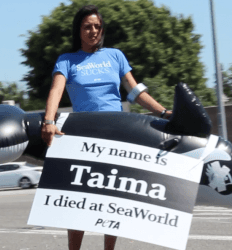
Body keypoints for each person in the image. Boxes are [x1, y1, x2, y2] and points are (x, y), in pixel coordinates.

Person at [41, 5, 172, 250]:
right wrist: (49, 121)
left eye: (97, 27)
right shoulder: (67, 60)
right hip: (83, 136)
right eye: (87, 26)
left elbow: (135, 92)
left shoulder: (115, 56)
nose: (93, 31)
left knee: (112, 198)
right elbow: (56, 91)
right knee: (80, 200)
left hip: (117, 134)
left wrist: (163, 112)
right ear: (78, 30)